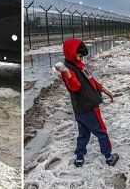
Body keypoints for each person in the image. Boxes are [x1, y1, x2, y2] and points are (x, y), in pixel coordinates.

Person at [54, 38, 119, 167]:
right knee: (101, 131)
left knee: (83, 134)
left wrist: (105, 90)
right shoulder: (67, 70)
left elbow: (92, 80)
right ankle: (109, 157)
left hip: (79, 109)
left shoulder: (81, 65)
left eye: (82, 56)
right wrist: (66, 73)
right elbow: (75, 87)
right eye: (79, 55)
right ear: (71, 52)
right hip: (89, 107)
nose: (81, 58)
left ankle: (79, 157)